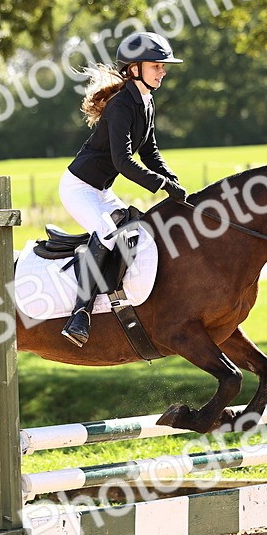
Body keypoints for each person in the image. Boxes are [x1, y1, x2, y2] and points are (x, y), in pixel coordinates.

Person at [59, 30, 188, 347]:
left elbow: (150, 153)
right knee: (105, 234)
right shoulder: (120, 106)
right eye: (157, 65)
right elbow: (122, 161)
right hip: (79, 188)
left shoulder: (146, 101)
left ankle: (115, 299)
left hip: (100, 190)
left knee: (135, 234)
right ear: (134, 68)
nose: (163, 71)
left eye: (162, 66)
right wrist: (161, 185)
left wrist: (174, 182)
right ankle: (80, 314)